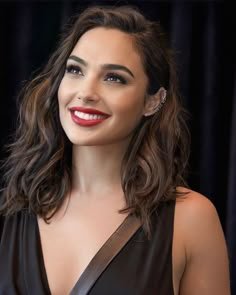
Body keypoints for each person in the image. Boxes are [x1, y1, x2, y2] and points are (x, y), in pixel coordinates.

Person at [0, 5, 230, 295]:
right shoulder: (11, 210)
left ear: (153, 101)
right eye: (75, 70)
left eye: (114, 78)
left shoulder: (190, 219)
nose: (86, 92)